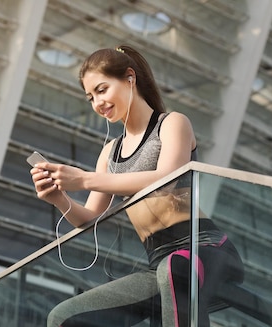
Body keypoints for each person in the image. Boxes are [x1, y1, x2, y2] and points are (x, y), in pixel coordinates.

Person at [30, 45, 244, 327]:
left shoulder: (171, 124)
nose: (97, 103)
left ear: (130, 77)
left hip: (206, 249)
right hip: (159, 263)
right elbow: (90, 218)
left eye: (102, 89)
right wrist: (59, 199)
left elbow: (166, 177)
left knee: (174, 269)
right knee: (62, 317)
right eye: (90, 97)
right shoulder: (110, 152)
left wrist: (83, 179)